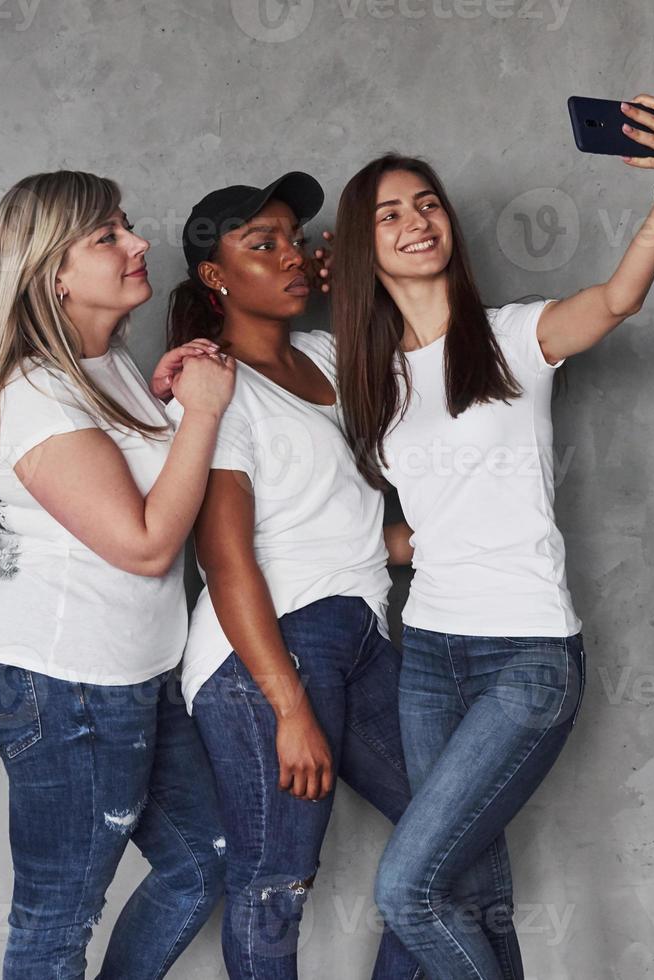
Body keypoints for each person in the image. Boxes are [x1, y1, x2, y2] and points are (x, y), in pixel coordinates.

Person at [329, 94, 654, 979]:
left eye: (426, 205)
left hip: (526, 655)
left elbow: (616, 298)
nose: (417, 222)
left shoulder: (510, 339)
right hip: (430, 658)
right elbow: (418, 513)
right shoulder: (361, 374)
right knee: (470, 892)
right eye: (390, 214)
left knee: (407, 890)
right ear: (361, 246)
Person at [0, 169, 236, 979]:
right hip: (65, 684)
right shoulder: (34, 397)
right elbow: (146, 545)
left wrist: (168, 406)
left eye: (125, 226)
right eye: (108, 236)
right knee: (56, 923)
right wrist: (206, 413)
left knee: (202, 859)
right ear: (54, 274)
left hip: (138, 674)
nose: (139, 241)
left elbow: (135, 476)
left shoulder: (104, 364)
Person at [161, 172, 437, 980]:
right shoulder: (213, 392)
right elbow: (226, 557)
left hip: (355, 629)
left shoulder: (322, 356)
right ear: (215, 276)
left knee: (448, 844)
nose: (289, 257)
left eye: (294, 241)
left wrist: (349, 268)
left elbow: (331, 516)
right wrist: (287, 704)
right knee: (274, 884)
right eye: (263, 245)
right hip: (267, 655)